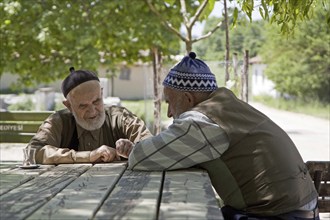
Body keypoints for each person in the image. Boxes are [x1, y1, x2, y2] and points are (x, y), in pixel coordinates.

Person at [116, 52, 319, 219]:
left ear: (188, 98)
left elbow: (140, 158)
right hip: (304, 209)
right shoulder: (228, 106)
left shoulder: (201, 121)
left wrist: (133, 149)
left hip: (275, 215)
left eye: (169, 102)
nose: (169, 113)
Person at [27, 67, 152, 164]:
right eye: (83, 106)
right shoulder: (58, 122)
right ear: (69, 106)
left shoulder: (121, 117)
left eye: (96, 101)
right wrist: (88, 156)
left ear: (101, 93)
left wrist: (132, 149)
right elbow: (33, 152)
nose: (92, 111)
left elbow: (152, 146)